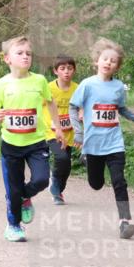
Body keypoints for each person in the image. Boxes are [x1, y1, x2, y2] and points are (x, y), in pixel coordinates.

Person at [0, 35, 65, 242]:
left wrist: (56, 126)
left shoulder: (39, 81)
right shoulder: (1, 84)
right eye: (19, 53)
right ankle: (13, 226)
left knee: (40, 180)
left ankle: (23, 196)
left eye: (28, 53)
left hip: (36, 142)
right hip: (11, 144)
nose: (25, 57)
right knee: (12, 186)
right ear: (7, 59)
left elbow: (50, 102)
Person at [69, 39, 134, 239]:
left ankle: (125, 222)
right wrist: (78, 133)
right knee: (96, 184)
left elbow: (121, 109)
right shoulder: (87, 85)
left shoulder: (118, 87)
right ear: (97, 61)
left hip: (114, 142)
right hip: (93, 143)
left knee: (119, 181)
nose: (108, 63)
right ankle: (87, 159)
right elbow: (72, 107)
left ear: (117, 66)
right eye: (105, 59)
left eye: (113, 61)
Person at [41, 55, 79, 205]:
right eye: (62, 68)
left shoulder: (78, 88)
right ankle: (55, 187)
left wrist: (82, 112)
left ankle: (58, 189)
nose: (66, 72)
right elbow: (36, 105)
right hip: (51, 131)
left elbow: (83, 106)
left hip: (69, 132)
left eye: (70, 68)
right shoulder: (48, 88)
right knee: (61, 158)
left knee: (67, 166)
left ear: (74, 71)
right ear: (56, 71)